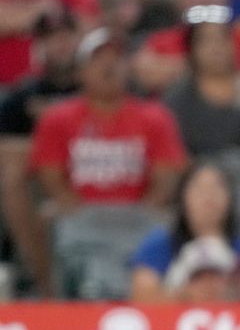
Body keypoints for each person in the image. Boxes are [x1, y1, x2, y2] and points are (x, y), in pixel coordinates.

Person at [29, 27, 187, 215]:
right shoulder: (57, 118)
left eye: (117, 59)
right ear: (81, 72)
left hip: (138, 217)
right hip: (79, 217)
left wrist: (138, 216)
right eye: (98, 59)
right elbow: (51, 178)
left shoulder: (156, 116)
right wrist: (81, 214)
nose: (109, 65)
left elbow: (165, 180)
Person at [0, 8, 81, 297]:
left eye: (66, 36)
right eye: (51, 38)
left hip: (95, 171)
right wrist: (52, 139)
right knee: (13, 176)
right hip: (45, 182)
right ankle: (44, 285)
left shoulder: (97, 84)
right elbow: (5, 147)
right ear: (39, 46)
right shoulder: (24, 96)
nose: (60, 44)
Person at [129, 162, 240, 302]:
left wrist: (235, 293)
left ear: (230, 197)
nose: (208, 197)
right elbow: (141, 299)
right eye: (199, 189)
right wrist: (185, 295)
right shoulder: (159, 244)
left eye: (217, 188)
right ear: (183, 196)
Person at [162, 5, 240, 169]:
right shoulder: (176, 100)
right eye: (205, 40)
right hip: (199, 182)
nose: (216, 48)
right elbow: (174, 154)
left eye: (222, 39)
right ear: (191, 49)